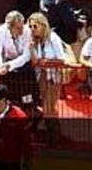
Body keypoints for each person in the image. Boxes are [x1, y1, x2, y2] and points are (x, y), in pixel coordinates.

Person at [28, 12, 66, 143]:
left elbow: (62, 59)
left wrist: (46, 62)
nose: (32, 29)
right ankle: (55, 134)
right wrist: (32, 49)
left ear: (43, 25)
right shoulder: (34, 41)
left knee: (49, 107)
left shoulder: (53, 38)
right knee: (46, 106)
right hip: (41, 76)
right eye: (31, 26)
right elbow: (34, 62)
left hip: (53, 75)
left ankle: (54, 136)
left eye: (35, 26)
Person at [0, 10, 36, 112]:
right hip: (6, 67)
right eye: (18, 28)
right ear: (9, 27)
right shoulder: (1, 30)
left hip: (24, 68)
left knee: (27, 101)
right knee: (5, 98)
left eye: (22, 26)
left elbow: (26, 55)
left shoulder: (28, 31)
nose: (21, 30)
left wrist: (10, 65)